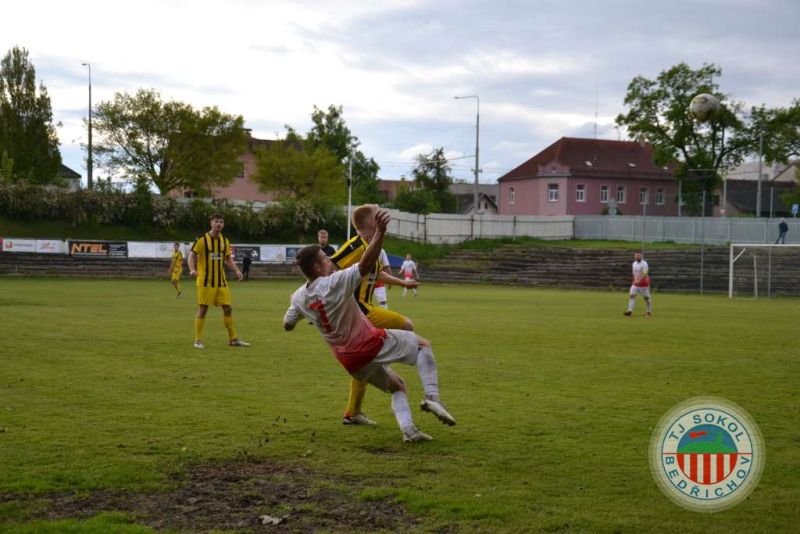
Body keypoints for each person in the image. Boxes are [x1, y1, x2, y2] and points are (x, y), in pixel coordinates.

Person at [283, 210, 455, 442]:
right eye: (324, 259)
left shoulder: (298, 297)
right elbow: (364, 265)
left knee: (398, 385)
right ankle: (432, 397)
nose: (329, 261)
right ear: (316, 268)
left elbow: (287, 324)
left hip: (349, 361)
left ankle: (409, 431)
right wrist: (381, 232)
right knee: (424, 345)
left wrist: (309, 315)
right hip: (368, 344)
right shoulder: (333, 283)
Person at [330, 204, 418, 426]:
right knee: (406, 325)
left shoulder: (373, 246)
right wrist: (326, 302)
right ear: (370, 222)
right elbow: (330, 267)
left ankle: (352, 413)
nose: (382, 214)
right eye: (377, 212)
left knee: (364, 365)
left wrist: (403, 283)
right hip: (359, 311)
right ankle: (384, 361)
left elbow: (377, 274)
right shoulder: (355, 245)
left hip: (366, 309)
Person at [188, 213, 250, 349]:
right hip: (205, 281)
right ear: (211, 223)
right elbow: (191, 256)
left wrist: (237, 271)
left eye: (221, 222)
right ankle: (198, 340)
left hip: (221, 281)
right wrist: (192, 270)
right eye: (216, 221)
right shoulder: (202, 240)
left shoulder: (224, 241)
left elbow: (228, 259)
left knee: (228, 308)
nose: (219, 224)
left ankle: (233, 339)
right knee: (203, 308)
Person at [624, 251, 652, 317]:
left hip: (644, 284)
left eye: (639, 255)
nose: (637, 257)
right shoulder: (634, 264)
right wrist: (634, 281)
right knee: (632, 296)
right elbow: (634, 273)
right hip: (635, 284)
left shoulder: (644, 263)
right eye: (636, 255)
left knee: (646, 298)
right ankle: (630, 311)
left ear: (641, 256)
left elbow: (645, 274)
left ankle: (648, 312)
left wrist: (639, 280)